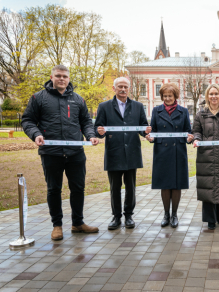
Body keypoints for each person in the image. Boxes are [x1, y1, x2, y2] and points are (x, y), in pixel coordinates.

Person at [22, 65, 100, 241]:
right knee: (54, 189)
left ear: (69, 78)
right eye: (58, 76)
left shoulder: (78, 99)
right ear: (51, 77)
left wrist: (90, 135)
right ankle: (57, 226)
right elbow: (27, 120)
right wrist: (36, 134)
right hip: (51, 152)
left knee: (78, 188)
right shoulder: (38, 98)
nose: (62, 79)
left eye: (65, 76)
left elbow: (86, 121)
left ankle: (78, 223)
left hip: (75, 153)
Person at [94, 77, 151, 230]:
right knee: (115, 187)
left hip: (132, 151)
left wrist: (146, 132)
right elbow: (99, 129)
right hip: (114, 152)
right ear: (114, 88)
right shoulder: (104, 106)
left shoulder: (138, 106)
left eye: (126, 86)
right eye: (120, 86)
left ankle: (129, 215)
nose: (123, 89)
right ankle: (116, 216)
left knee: (131, 186)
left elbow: (142, 126)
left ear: (129, 88)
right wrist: (100, 132)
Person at [148, 83, 194, 228]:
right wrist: (150, 137)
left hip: (178, 150)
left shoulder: (183, 111)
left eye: (170, 96)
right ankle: (166, 214)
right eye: (165, 96)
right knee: (165, 185)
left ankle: (174, 215)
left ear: (175, 96)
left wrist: (189, 138)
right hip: (161, 151)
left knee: (177, 185)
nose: (167, 98)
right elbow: (153, 130)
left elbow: (188, 130)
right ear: (161, 97)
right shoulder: (156, 110)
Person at [192, 84, 219, 230]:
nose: (213, 96)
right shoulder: (201, 114)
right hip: (206, 155)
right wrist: (196, 139)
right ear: (207, 96)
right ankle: (210, 219)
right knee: (208, 186)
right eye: (211, 94)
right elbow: (196, 131)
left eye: (216, 94)